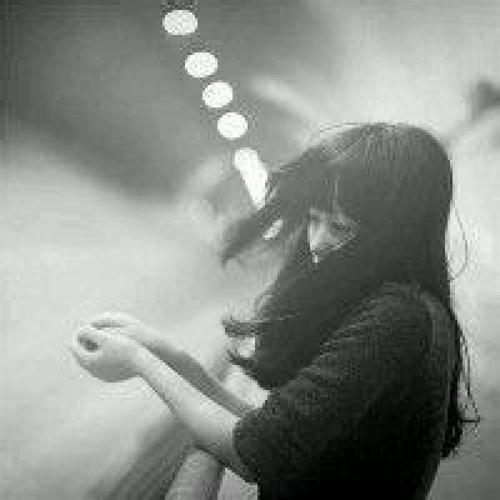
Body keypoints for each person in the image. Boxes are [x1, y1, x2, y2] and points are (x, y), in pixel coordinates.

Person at [71, 122, 479, 499]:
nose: (316, 242)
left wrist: (139, 361)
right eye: (314, 219)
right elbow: (272, 432)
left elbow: (254, 454)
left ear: (395, 234)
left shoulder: (400, 319)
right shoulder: (404, 308)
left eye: (340, 227)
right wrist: (163, 352)